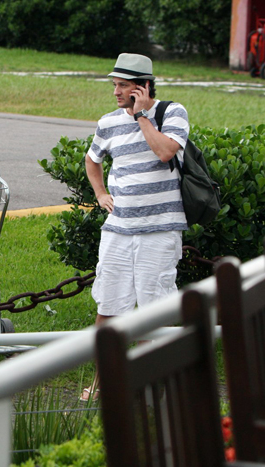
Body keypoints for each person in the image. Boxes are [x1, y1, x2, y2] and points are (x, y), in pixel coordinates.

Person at [81, 53, 189, 401]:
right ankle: (101, 385)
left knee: (153, 311)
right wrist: (100, 193)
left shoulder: (172, 113)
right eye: (114, 84)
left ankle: (150, 384)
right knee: (108, 308)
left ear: (142, 88)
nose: (115, 91)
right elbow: (92, 159)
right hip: (118, 230)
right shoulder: (108, 122)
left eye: (123, 85)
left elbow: (165, 152)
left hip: (159, 230)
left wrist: (142, 116)